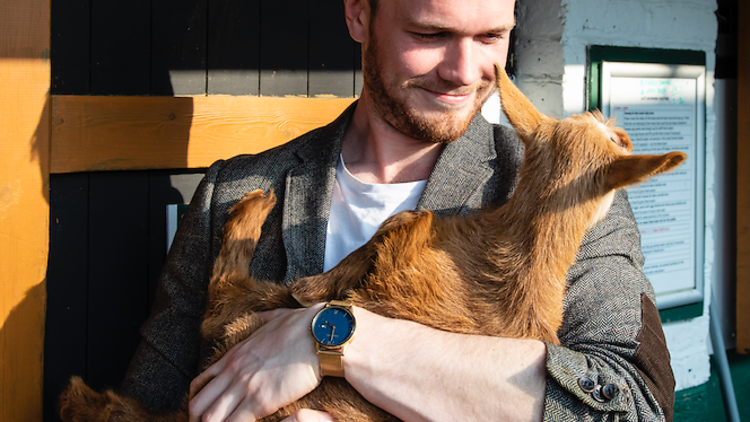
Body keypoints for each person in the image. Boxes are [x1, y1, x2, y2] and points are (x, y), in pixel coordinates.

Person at [121, 0, 676, 421]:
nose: (464, 70)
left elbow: (631, 403)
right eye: (430, 34)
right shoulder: (233, 188)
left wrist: (333, 337)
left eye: (492, 36)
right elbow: (149, 394)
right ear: (359, 15)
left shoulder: (577, 194)